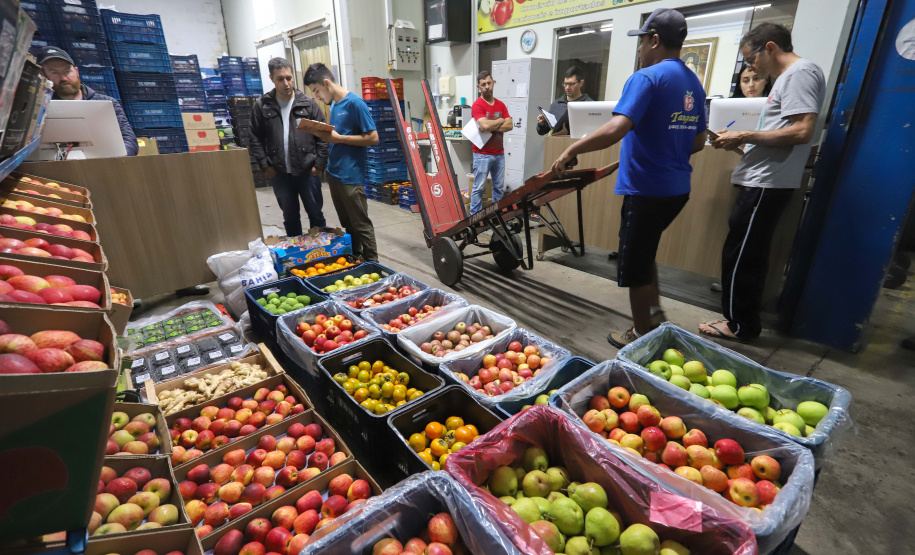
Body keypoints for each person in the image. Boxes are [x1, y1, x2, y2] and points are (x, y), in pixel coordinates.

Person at [551, 8, 707, 348]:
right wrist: (667, 150)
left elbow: (617, 127)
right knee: (645, 253)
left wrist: (571, 149)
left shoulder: (647, 78)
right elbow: (698, 140)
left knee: (635, 266)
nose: (638, 50)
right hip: (677, 189)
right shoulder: (692, 82)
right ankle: (654, 318)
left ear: (654, 40)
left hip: (646, 189)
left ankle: (642, 337)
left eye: (641, 43)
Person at [699, 23, 826, 342]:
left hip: (767, 183)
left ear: (770, 48)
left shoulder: (800, 73)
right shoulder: (791, 77)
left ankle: (739, 324)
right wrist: (741, 144)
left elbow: (802, 131)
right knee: (743, 252)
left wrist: (745, 134)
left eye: (751, 58)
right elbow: (784, 133)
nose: (750, 67)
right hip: (762, 179)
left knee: (742, 256)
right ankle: (739, 320)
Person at [303, 63, 379, 262]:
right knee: (347, 224)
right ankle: (356, 258)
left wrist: (340, 139)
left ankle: (373, 264)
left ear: (327, 83)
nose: (317, 96)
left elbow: (373, 138)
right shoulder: (335, 105)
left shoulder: (355, 104)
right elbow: (336, 136)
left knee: (361, 223)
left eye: (317, 90)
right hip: (334, 174)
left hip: (351, 176)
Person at [249, 57, 327, 238]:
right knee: (290, 217)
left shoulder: (308, 104)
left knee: (316, 214)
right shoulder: (263, 106)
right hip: (280, 173)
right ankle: (297, 254)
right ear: (271, 78)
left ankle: (322, 253)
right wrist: (265, 165)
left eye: (289, 78)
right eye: (280, 79)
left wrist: (320, 165)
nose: (286, 83)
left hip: (308, 171)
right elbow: (255, 138)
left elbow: (323, 136)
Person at [36, 46, 137, 156]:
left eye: (67, 71)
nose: (64, 78)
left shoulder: (106, 103)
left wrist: (116, 160)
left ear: (76, 71)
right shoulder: (41, 108)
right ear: (44, 76)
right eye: (54, 72)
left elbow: (129, 140)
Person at [470, 71, 513, 215]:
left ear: (493, 82)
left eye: (489, 83)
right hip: (482, 154)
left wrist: (492, 123)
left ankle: (497, 216)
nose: (487, 87)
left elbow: (510, 125)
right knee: (479, 188)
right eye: (483, 85)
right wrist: (500, 120)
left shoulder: (501, 105)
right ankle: (474, 218)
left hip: (499, 154)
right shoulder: (477, 105)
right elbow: (485, 126)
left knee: (498, 188)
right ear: (478, 87)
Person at [536, 66, 594, 136]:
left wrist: (566, 134)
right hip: (556, 145)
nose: (567, 88)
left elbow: (593, 132)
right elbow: (543, 131)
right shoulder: (556, 104)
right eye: (565, 84)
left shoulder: (590, 105)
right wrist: (542, 124)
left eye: (571, 84)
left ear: (581, 83)